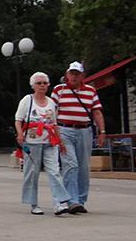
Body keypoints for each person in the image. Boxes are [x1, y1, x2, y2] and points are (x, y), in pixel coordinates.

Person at [51, 61, 106, 214]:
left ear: (83, 76)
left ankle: (81, 200)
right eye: (71, 73)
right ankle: (71, 201)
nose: (74, 77)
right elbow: (51, 111)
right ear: (66, 74)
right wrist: (53, 131)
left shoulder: (90, 91)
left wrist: (102, 131)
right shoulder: (59, 90)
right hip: (64, 130)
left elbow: (97, 112)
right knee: (71, 164)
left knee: (83, 166)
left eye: (77, 74)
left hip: (85, 130)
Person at [14, 72, 70, 216]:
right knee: (32, 173)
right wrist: (20, 134)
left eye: (45, 83)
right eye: (39, 83)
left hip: (50, 142)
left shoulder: (51, 102)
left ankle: (59, 203)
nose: (42, 86)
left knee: (54, 171)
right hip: (32, 142)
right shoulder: (27, 100)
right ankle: (33, 204)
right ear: (33, 85)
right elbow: (18, 120)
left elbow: (54, 124)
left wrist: (60, 142)